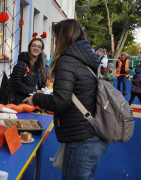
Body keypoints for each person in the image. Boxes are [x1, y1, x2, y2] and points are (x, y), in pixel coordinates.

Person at [24, 19, 109, 179]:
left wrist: (36, 98)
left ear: (63, 37)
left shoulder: (67, 60)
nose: (55, 41)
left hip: (81, 139)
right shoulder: (89, 60)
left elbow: (61, 102)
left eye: (56, 37)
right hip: (95, 135)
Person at [8, 38, 47, 105]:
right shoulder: (22, 64)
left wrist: (43, 91)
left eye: (39, 47)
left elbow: (43, 82)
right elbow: (16, 83)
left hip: (34, 102)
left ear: (41, 51)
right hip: (20, 102)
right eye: (34, 45)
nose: (36, 48)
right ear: (29, 48)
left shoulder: (41, 66)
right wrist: (34, 91)